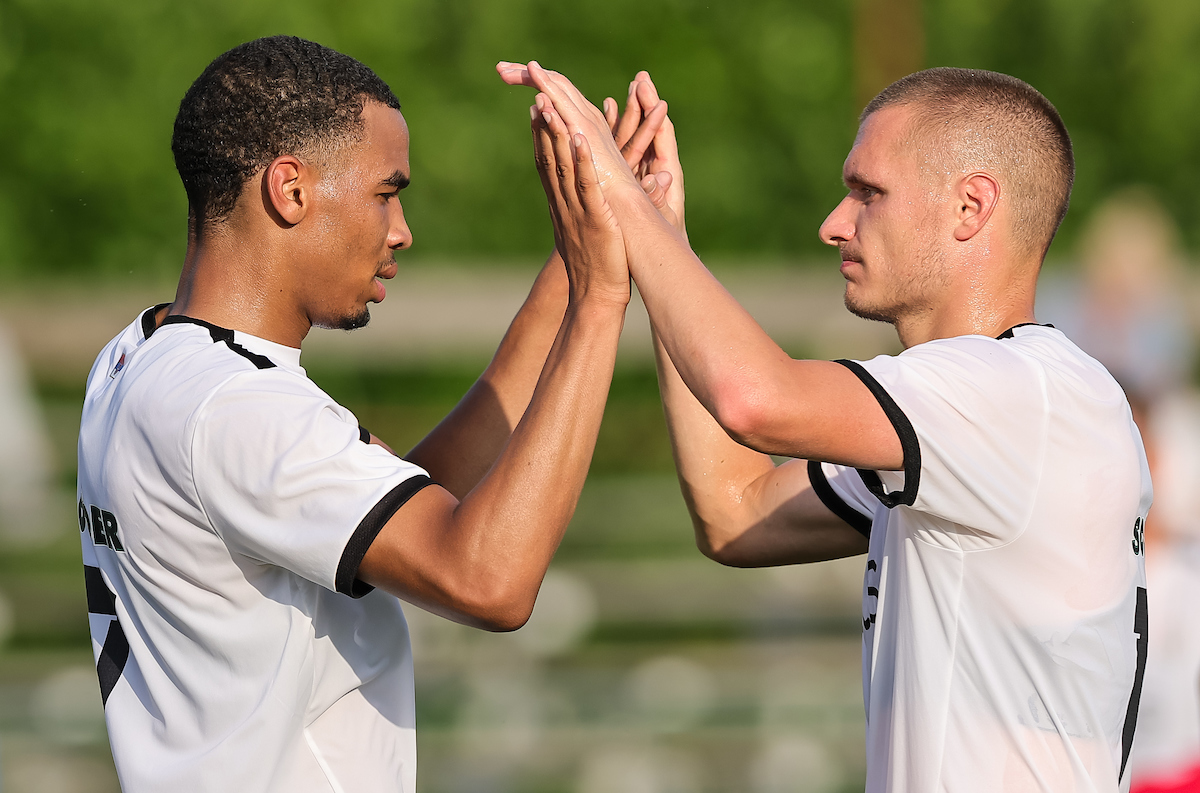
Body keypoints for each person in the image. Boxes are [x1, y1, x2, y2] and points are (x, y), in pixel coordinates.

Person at [499, 62, 1151, 791]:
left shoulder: (1019, 392)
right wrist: (664, 233)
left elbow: (756, 400)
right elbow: (735, 512)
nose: (834, 224)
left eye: (868, 192)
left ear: (971, 207)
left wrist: (622, 198)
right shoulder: (989, 414)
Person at [76, 36, 667, 792]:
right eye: (386, 193)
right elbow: (489, 579)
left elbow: (415, 504)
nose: (401, 230)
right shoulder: (239, 408)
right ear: (290, 190)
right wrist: (602, 297)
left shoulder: (139, 356)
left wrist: (576, 259)